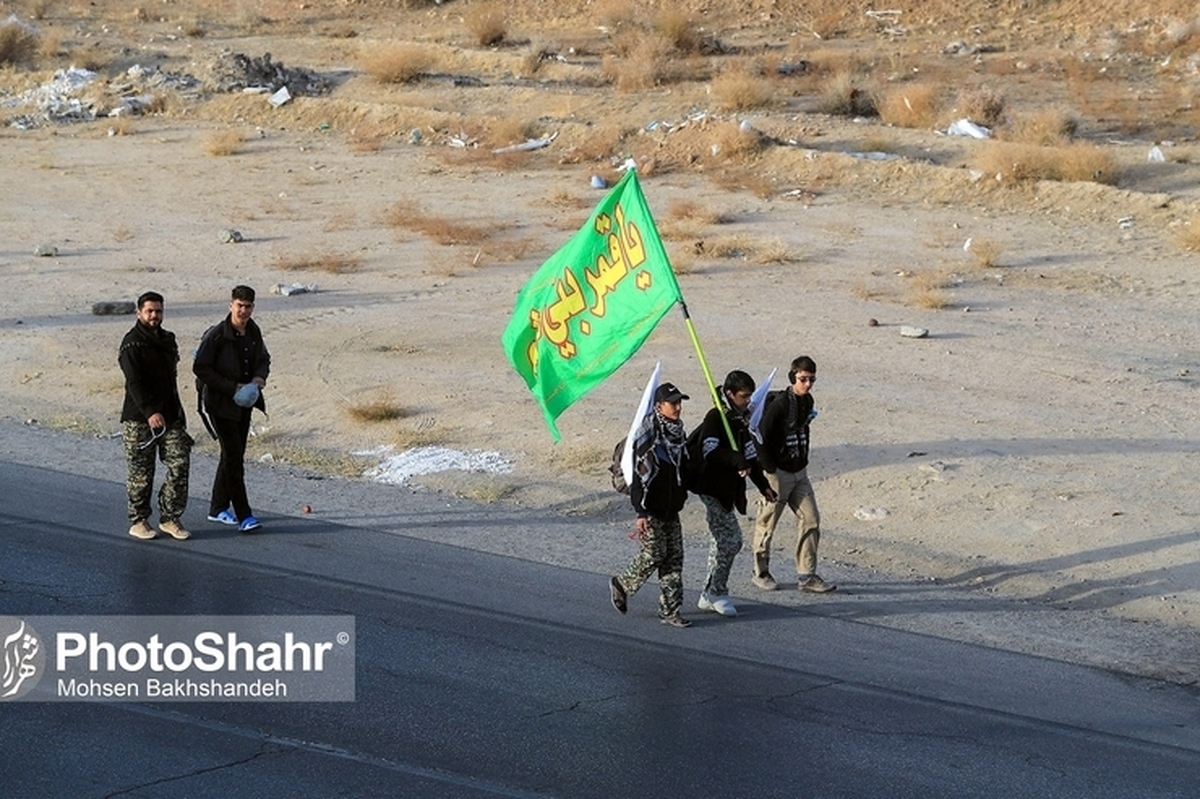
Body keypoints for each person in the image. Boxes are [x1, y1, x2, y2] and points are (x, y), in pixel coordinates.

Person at [692, 370, 777, 617]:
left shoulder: (741, 420)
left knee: (718, 543)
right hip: (711, 488)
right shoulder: (716, 417)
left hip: (730, 491)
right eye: (743, 396)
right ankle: (716, 591)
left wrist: (764, 487)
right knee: (731, 541)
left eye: (750, 396)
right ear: (729, 394)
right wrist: (735, 459)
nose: (748, 401)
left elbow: (750, 456)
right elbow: (710, 451)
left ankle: (709, 593)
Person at [609, 382, 693, 628]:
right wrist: (641, 512)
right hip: (650, 508)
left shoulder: (678, 433)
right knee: (655, 553)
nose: (677, 407)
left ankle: (670, 611)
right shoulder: (648, 436)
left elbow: (684, 469)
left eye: (680, 402)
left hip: (671, 509)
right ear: (659, 406)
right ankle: (622, 584)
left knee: (674, 559)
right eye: (673, 403)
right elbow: (637, 478)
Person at [752, 356, 836, 593]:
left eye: (811, 380)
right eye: (803, 379)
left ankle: (806, 575)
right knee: (767, 524)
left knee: (811, 519)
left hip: (800, 472)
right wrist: (770, 471)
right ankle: (760, 572)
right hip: (778, 474)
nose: (807, 384)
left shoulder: (807, 401)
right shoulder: (779, 406)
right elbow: (760, 437)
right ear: (793, 378)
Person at [194, 285, 270, 533]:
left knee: (231, 455)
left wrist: (259, 378)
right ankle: (244, 515)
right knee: (234, 458)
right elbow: (201, 368)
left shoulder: (253, 331)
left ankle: (217, 508)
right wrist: (232, 386)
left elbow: (263, 359)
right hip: (220, 405)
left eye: (248, 306)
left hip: (244, 405)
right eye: (239, 305)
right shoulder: (217, 335)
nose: (244, 311)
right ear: (231, 305)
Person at [118, 291, 192, 541]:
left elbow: (171, 381)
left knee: (180, 463)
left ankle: (170, 517)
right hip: (140, 419)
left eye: (158, 311)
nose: (154, 316)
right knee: (141, 473)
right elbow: (134, 384)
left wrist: (177, 415)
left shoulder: (168, 340)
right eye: (149, 311)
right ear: (139, 312)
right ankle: (138, 520)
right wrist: (150, 412)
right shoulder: (131, 344)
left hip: (170, 417)